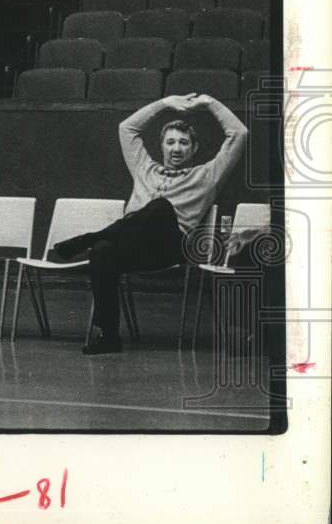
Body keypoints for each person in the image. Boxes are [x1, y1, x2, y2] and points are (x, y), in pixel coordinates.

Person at [53, 92, 248, 354]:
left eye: (184, 143)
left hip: (170, 248)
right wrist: (165, 103)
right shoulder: (144, 167)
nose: (176, 148)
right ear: (162, 146)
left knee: (160, 207)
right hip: (133, 246)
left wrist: (208, 102)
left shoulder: (207, 176)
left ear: (194, 149)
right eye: (170, 142)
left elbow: (239, 134)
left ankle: (90, 237)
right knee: (102, 250)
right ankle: (109, 336)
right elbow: (127, 128)